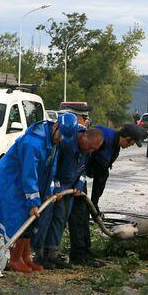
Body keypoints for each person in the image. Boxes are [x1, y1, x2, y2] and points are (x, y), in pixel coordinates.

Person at [0, 113, 78, 273]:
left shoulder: (54, 141)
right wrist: (33, 202)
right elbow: (29, 174)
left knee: (31, 221)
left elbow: (50, 168)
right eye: (60, 136)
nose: (60, 140)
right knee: (19, 218)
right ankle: (15, 259)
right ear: (55, 126)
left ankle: (25, 257)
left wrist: (48, 191)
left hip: (25, 181)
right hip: (11, 181)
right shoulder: (32, 143)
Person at [35, 104, 104, 269]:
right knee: (49, 218)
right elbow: (52, 168)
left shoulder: (87, 151)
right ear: (84, 137)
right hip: (57, 186)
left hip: (71, 188)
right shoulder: (66, 141)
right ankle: (40, 254)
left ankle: (53, 253)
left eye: (94, 149)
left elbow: (83, 170)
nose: (91, 151)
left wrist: (80, 183)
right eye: (91, 147)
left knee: (62, 219)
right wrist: (55, 188)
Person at [68, 123, 145, 265]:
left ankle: (86, 250)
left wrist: (94, 203)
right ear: (127, 139)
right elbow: (85, 160)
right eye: (132, 143)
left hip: (81, 177)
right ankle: (78, 255)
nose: (130, 146)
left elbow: (102, 174)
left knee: (84, 212)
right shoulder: (104, 139)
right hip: (75, 175)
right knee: (78, 215)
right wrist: (79, 183)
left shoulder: (115, 145)